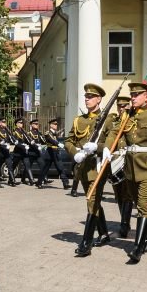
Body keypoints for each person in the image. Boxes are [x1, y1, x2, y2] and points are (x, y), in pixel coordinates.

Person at [105, 82, 147, 264]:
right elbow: (114, 132)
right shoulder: (127, 115)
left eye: (137, 95)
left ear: (146, 96)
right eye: (132, 95)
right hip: (130, 166)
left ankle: (138, 247)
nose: (133, 98)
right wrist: (107, 148)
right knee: (140, 204)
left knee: (143, 205)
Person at [65, 83, 110, 257]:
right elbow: (68, 140)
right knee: (94, 199)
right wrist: (74, 153)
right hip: (82, 167)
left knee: (91, 200)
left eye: (90, 97)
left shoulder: (108, 119)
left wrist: (97, 147)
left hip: (97, 167)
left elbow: (112, 142)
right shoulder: (79, 120)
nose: (87, 99)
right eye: (86, 96)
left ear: (98, 99)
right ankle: (104, 233)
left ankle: (86, 242)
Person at [104, 96, 135, 238]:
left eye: (124, 106)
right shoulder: (112, 122)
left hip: (128, 160)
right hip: (115, 160)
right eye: (119, 106)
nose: (121, 109)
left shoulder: (133, 120)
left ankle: (124, 224)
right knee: (119, 194)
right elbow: (104, 139)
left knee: (128, 193)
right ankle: (124, 220)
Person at [36, 118, 69, 190]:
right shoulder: (48, 133)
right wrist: (58, 144)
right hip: (49, 151)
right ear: (51, 125)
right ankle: (39, 182)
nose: (56, 125)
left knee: (60, 167)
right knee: (45, 168)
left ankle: (65, 183)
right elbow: (51, 140)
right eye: (55, 124)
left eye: (57, 124)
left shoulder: (56, 133)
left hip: (55, 152)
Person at [0, 117, 17, 187]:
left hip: (6, 151)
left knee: (10, 165)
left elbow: (10, 138)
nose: (5, 123)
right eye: (3, 122)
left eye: (5, 122)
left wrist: (14, 141)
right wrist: (2, 143)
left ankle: (12, 180)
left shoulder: (7, 131)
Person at [11, 119, 35, 186]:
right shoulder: (14, 132)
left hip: (24, 152)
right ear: (16, 124)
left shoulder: (23, 131)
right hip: (17, 152)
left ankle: (31, 180)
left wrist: (30, 143)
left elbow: (27, 139)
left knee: (27, 165)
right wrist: (23, 146)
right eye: (20, 122)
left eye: (22, 123)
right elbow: (15, 142)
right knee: (14, 166)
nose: (21, 124)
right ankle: (11, 180)